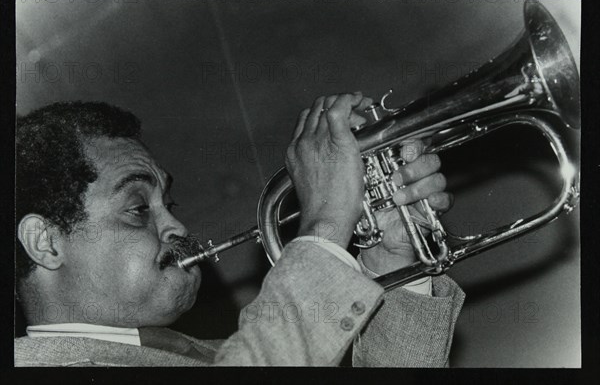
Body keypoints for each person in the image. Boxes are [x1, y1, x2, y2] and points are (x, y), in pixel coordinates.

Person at [14, 92, 464, 366]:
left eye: (167, 204)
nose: (175, 225)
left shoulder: (208, 353)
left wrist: (394, 263)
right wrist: (327, 223)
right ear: (46, 242)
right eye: (137, 208)